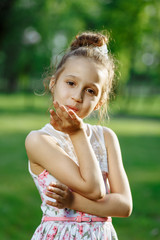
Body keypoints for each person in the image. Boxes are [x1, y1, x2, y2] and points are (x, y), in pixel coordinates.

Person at [25, 31, 132, 240]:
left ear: (100, 102)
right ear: (54, 83)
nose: (77, 97)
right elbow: (94, 189)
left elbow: (124, 206)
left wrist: (73, 202)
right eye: (71, 83)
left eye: (90, 91)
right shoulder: (39, 140)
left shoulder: (107, 138)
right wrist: (77, 132)